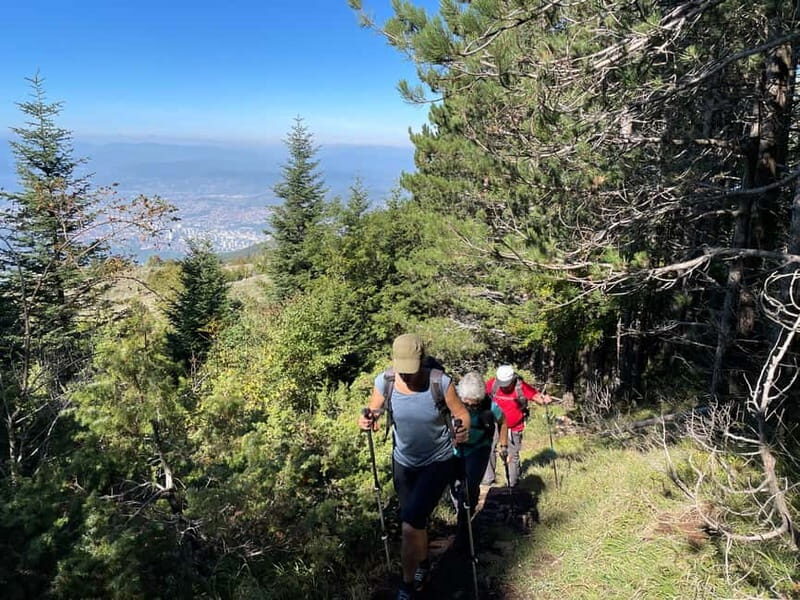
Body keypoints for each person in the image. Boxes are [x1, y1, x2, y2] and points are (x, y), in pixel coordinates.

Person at [358, 333, 469, 600]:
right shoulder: (385, 381)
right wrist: (366, 420)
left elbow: (461, 413)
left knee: (409, 524)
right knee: (417, 522)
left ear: (422, 360)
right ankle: (423, 566)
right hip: (404, 462)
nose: (406, 375)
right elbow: (372, 410)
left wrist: (462, 430)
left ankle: (407, 586)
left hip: (438, 461)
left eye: (412, 368)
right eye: (402, 369)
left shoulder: (439, 382)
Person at [452, 371, 508, 550]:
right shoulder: (454, 401)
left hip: (479, 449)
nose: (470, 407)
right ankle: (462, 512)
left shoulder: (490, 405)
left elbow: (503, 420)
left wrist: (503, 443)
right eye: (467, 403)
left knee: (470, 487)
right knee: (454, 485)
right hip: (455, 450)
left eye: (474, 404)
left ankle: (463, 525)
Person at [481, 364, 550, 488]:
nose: (504, 386)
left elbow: (536, 397)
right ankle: (487, 480)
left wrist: (543, 399)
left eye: (506, 384)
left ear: (512, 379)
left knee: (512, 455)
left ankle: (513, 484)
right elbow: (481, 395)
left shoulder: (521, 387)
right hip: (494, 423)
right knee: (488, 448)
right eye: (502, 383)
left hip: (514, 427)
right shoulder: (493, 384)